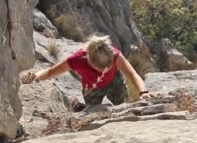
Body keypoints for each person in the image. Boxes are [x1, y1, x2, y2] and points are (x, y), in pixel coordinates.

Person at [21, 35, 154, 110]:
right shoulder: (77, 60)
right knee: (94, 114)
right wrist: (36, 76)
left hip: (115, 82)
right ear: (89, 60)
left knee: (124, 108)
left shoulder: (114, 54)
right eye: (100, 69)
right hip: (92, 88)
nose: (104, 71)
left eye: (108, 67)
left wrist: (144, 92)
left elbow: (133, 75)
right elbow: (50, 72)